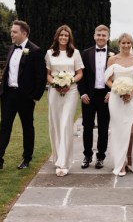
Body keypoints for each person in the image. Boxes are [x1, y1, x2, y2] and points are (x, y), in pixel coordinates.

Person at [0, 20, 46, 170]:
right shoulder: (11, 48)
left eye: (14, 32)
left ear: (24, 33)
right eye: (11, 31)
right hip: (8, 94)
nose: (11, 34)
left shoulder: (35, 50)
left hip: (25, 96)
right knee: (4, 126)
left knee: (27, 127)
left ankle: (26, 159)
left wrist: (35, 96)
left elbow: (41, 76)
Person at [105, 33, 133, 176]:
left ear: (131, 44)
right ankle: (121, 162)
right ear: (119, 44)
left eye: (128, 43)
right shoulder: (112, 59)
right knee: (118, 131)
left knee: (131, 131)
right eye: (123, 43)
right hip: (117, 99)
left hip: (132, 98)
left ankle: (130, 158)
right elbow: (107, 80)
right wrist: (118, 90)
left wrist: (131, 93)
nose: (126, 45)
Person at [45, 25, 84, 177]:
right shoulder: (49, 53)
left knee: (65, 124)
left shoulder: (75, 53)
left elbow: (80, 73)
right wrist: (55, 83)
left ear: (69, 38)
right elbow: (47, 74)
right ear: (57, 36)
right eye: (61, 35)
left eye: (66, 36)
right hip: (54, 91)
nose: (63, 38)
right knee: (55, 124)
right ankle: (57, 157)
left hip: (71, 91)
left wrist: (69, 82)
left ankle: (64, 162)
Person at [78, 25, 113, 169]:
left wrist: (112, 92)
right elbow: (81, 75)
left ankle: (101, 156)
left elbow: (117, 76)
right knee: (87, 126)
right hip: (89, 96)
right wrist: (83, 93)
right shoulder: (85, 53)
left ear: (108, 37)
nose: (101, 37)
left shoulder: (114, 54)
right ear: (94, 35)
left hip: (105, 96)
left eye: (104, 35)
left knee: (103, 127)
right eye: (99, 34)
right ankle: (87, 156)